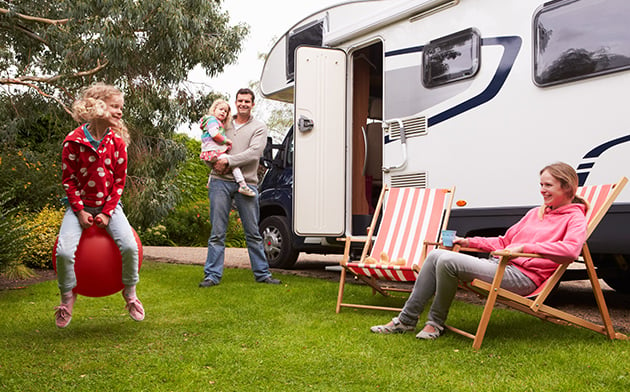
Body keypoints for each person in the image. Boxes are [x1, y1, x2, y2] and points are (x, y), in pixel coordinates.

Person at [370, 162, 588, 340]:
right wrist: (466, 242)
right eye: (541, 184)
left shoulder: (575, 217)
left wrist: (524, 248)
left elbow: (571, 250)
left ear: (566, 187)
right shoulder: (535, 213)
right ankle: (407, 320)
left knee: (447, 261)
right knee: (436, 254)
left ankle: (434, 323)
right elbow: (503, 241)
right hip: (501, 267)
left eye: (548, 185)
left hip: (524, 278)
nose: (542, 190)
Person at [54, 83, 144, 328]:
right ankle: (67, 297)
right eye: (115, 106)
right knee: (63, 251)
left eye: (121, 107)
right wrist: (80, 210)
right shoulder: (73, 141)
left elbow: (119, 182)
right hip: (78, 208)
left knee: (129, 246)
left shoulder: (117, 142)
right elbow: (68, 180)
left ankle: (130, 292)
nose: (120, 112)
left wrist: (106, 213)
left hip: (110, 207)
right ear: (99, 106)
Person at [199, 88, 281, 287]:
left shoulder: (259, 127)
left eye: (247, 101)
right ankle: (212, 275)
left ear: (253, 104)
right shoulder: (222, 123)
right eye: (240, 101)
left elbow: (254, 154)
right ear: (235, 103)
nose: (243, 104)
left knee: (253, 231)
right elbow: (208, 146)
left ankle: (262, 274)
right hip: (220, 181)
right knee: (217, 232)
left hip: (247, 183)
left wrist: (228, 160)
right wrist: (214, 164)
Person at [199, 99, 255, 197]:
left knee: (215, 166)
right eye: (221, 109)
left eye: (225, 111)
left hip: (208, 152)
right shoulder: (212, 121)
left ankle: (210, 182)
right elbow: (214, 135)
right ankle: (243, 185)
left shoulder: (212, 122)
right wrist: (226, 141)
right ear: (214, 110)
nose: (223, 112)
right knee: (233, 163)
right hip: (213, 152)